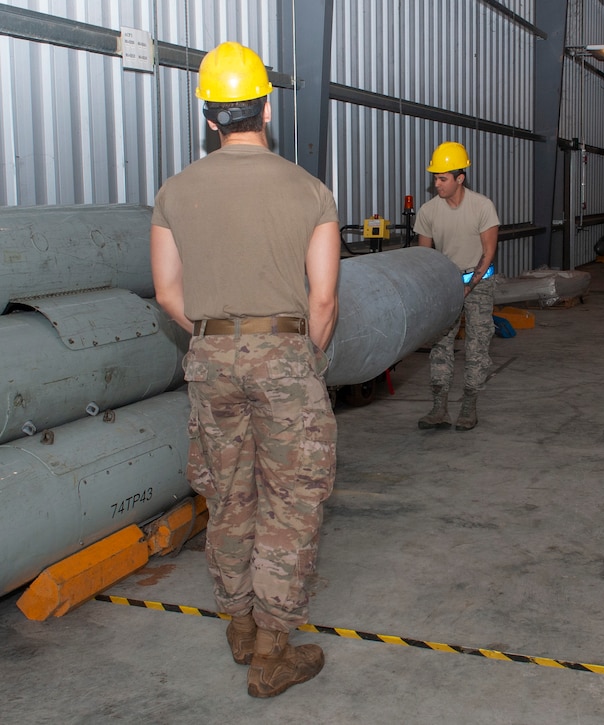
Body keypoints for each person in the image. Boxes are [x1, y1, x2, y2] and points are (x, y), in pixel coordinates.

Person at [149, 41, 341, 699]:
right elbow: (323, 299)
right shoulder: (309, 190)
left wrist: (218, 341)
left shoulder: (175, 191)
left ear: (209, 117)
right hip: (286, 355)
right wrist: (303, 360)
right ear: (267, 108)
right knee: (291, 502)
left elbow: (167, 292)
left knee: (228, 495)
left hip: (209, 358)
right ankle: (271, 652)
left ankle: (238, 625)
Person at [414, 142, 500, 431]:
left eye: (442, 178)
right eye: (435, 178)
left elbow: (488, 253)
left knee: (477, 345)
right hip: (446, 284)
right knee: (440, 345)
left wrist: (469, 286)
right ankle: (439, 408)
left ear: (459, 178)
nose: (436, 184)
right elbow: (424, 256)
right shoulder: (428, 211)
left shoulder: (482, 207)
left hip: (479, 283)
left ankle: (468, 406)